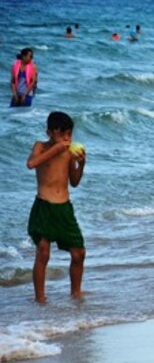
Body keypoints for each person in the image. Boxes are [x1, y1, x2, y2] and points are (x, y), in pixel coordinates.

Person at [25, 111, 87, 302]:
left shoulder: (69, 152)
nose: (68, 139)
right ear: (50, 132)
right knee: (43, 252)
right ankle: (40, 299)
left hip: (64, 208)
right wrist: (57, 148)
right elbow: (31, 163)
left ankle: (76, 293)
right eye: (64, 134)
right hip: (44, 205)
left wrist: (81, 165)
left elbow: (74, 182)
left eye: (70, 134)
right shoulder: (40, 147)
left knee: (79, 253)